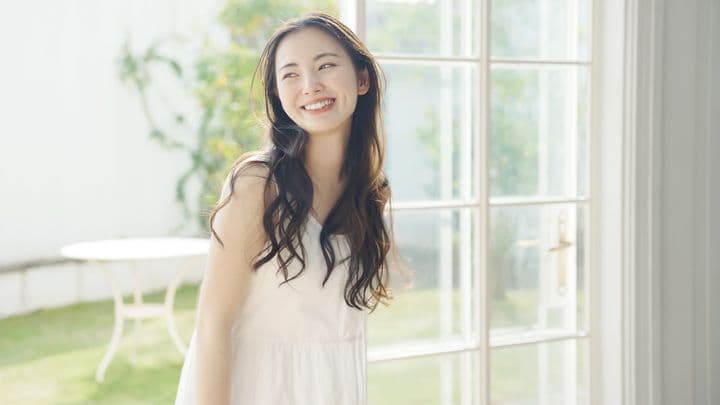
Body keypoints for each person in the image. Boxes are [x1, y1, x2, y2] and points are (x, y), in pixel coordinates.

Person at [174, 11, 405, 405]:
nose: (311, 86)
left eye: (326, 66)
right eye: (291, 74)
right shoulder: (258, 185)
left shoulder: (368, 193)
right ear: (279, 95)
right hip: (256, 389)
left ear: (362, 79)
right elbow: (213, 324)